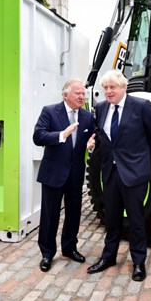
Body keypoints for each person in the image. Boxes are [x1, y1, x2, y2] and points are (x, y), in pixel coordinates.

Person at [87, 70, 151, 282]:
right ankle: (108, 256)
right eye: (106, 88)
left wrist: (138, 155)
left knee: (136, 219)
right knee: (111, 218)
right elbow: (104, 138)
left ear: (123, 87)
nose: (109, 91)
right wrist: (94, 144)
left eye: (113, 87)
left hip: (133, 173)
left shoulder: (141, 106)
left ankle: (138, 262)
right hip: (110, 173)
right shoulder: (101, 108)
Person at [33, 79, 96, 272]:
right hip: (53, 174)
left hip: (75, 175)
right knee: (49, 216)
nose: (81, 97)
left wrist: (92, 143)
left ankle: (69, 248)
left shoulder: (87, 117)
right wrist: (61, 135)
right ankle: (47, 253)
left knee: (73, 214)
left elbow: (94, 136)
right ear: (65, 95)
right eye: (77, 93)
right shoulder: (50, 111)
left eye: (83, 94)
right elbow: (38, 136)